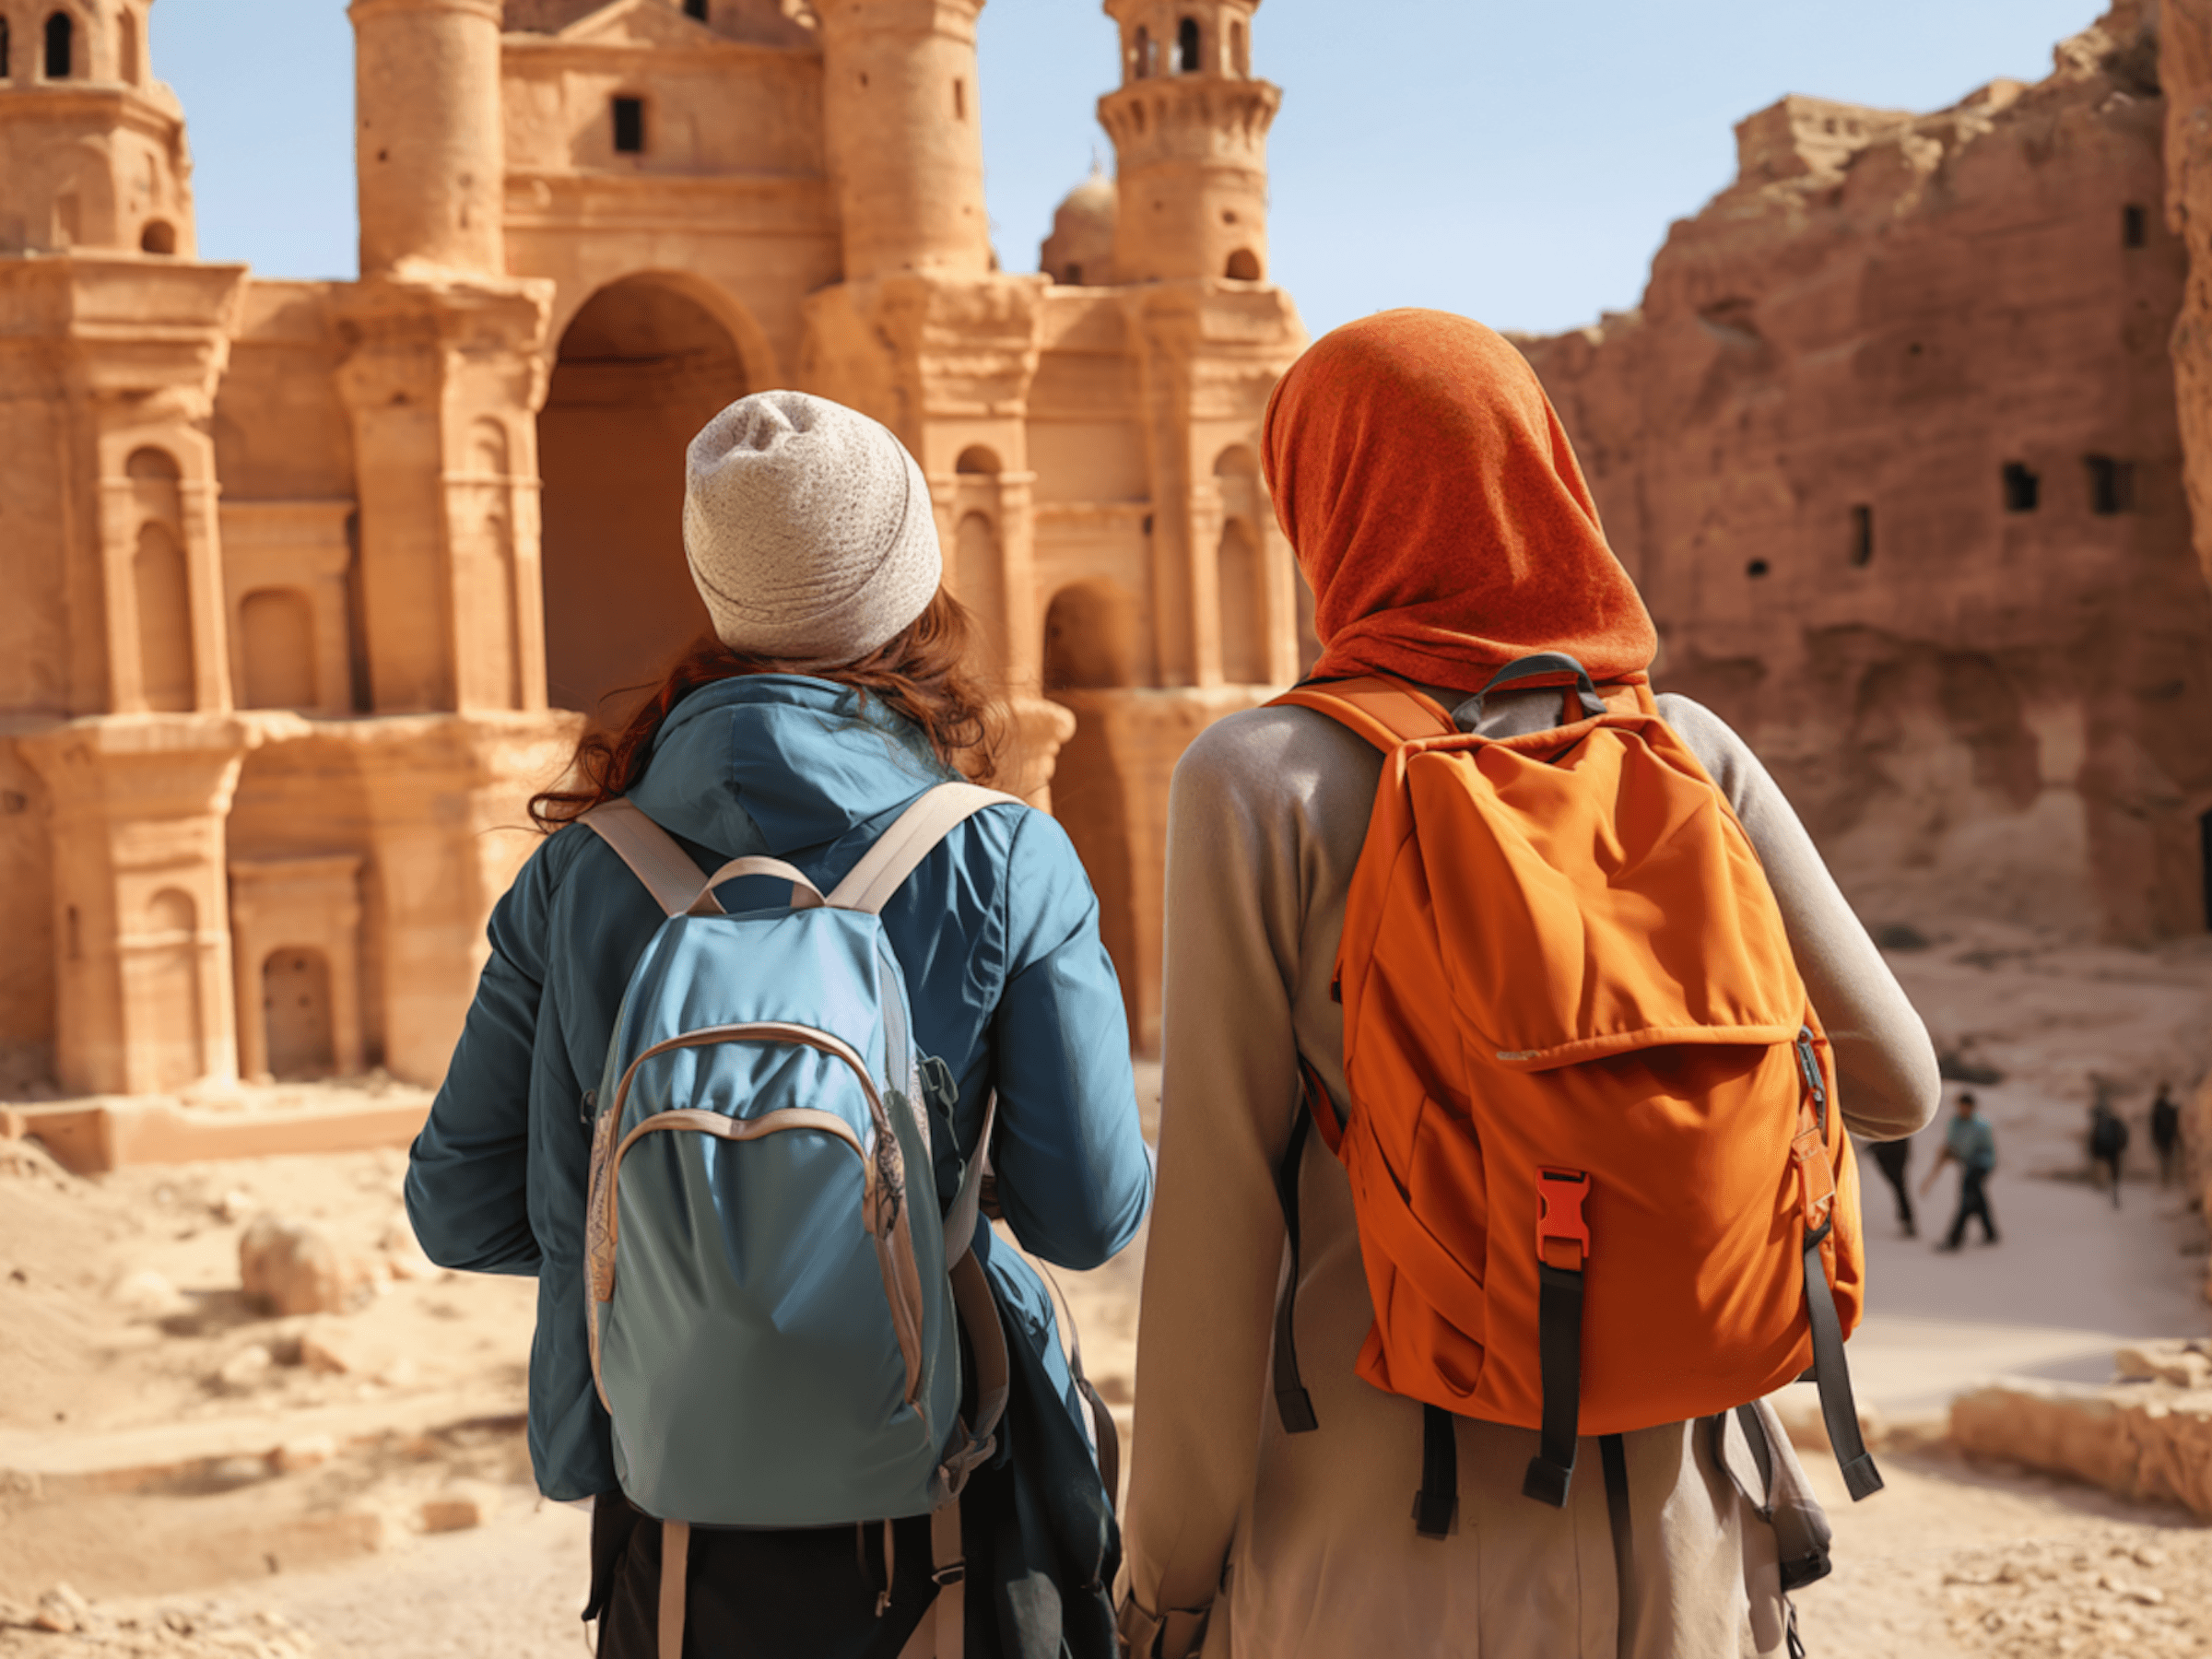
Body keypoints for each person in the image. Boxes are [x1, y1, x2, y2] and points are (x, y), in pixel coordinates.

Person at [1114, 312, 1941, 1659]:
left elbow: (1217, 1224)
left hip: (1379, 1545)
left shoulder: (1261, 783)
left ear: (1321, 504)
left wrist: (1167, 1580)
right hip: (1687, 1543)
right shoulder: (1684, 750)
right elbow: (1897, 1086)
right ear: (1546, 474)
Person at [405, 391, 1152, 1659]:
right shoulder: (1005, 855)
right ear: (910, 582)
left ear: (718, 591)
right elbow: (1089, 1214)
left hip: (676, 1522)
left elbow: (457, 1210)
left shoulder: (582, 870)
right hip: (960, 1516)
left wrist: (691, 1254)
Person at [1921, 1091, 1999, 1248]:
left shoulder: (1981, 1126)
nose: (1964, 1109)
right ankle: (1991, 1233)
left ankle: (1954, 1238)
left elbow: (1984, 1150)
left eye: (1967, 1106)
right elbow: (1951, 1145)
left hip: (1980, 1166)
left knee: (1967, 1200)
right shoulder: (1954, 1124)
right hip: (1967, 1165)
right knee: (1977, 1199)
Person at [2089, 1087, 2130, 1209]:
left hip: (2102, 1149)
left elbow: (2093, 1137)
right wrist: (2122, 1147)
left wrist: (2093, 1151)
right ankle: (2114, 1193)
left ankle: (2104, 1187)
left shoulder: (2099, 1121)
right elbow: (2123, 1134)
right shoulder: (2115, 1120)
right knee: (2114, 1173)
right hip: (2114, 1149)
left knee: (2103, 1169)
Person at [1872, 1133, 1917, 1239]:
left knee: (1899, 1186)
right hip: (1888, 1147)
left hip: (1895, 1147)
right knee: (1899, 1187)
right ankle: (1906, 1219)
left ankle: (1907, 1219)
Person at [2151, 1081, 2183, 1188]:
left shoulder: (2160, 1106)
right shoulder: (2165, 1107)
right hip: (2165, 1137)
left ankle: (2165, 1181)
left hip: (2164, 1137)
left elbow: (2154, 1124)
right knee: (2166, 1160)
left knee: (2166, 1160)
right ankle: (2165, 1181)